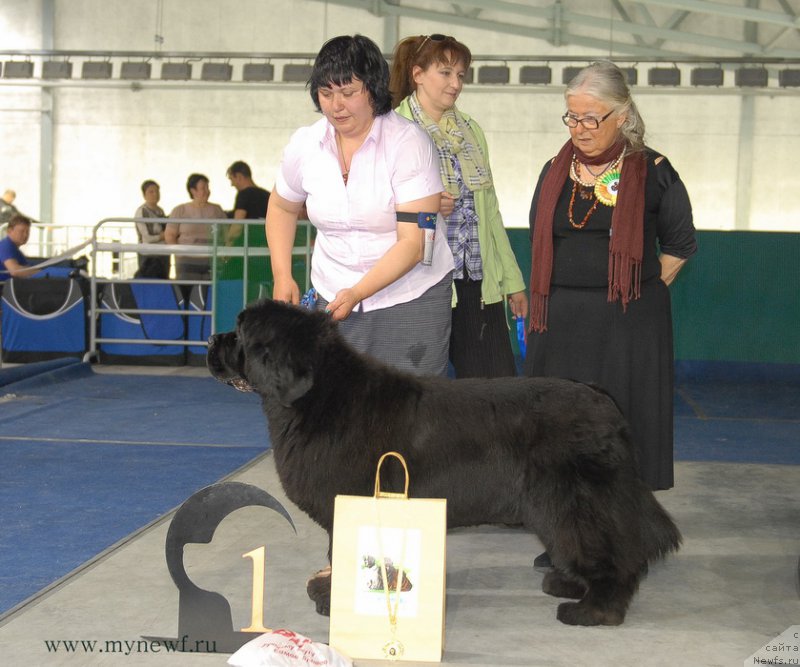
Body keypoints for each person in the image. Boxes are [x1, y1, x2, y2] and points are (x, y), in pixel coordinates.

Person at [526, 60, 697, 496]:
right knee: (557, 425)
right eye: (572, 117)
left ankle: (623, 517)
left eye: (591, 118)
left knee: (621, 422)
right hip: (560, 323)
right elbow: (538, 237)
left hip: (627, 324)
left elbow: (679, 245)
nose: (579, 129)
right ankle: (561, 514)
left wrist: (634, 290)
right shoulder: (553, 169)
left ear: (621, 115)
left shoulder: (654, 169)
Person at [266, 34, 454, 376]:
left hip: (410, 296)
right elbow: (282, 207)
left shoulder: (409, 143)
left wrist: (357, 292)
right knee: (336, 401)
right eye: (326, 93)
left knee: (409, 405)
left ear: (374, 89)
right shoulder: (304, 144)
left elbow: (414, 244)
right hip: (333, 293)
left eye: (348, 92)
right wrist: (282, 274)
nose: (336, 106)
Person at [391, 34, 528, 378]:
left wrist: (512, 281)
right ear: (418, 74)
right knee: (417, 392)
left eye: (461, 75)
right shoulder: (394, 130)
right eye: (446, 73)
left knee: (497, 391)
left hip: (477, 283)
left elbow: (490, 212)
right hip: (419, 283)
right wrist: (422, 205)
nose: (455, 84)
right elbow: (373, 205)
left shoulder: (471, 131)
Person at [165, 173, 226, 282]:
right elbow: (170, 235)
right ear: (193, 191)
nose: (207, 191)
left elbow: (226, 233)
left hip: (212, 260)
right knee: (187, 289)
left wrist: (222, 253)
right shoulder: (180, 210)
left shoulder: (217, 210)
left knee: (211, 290)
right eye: (203, 188)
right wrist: (179, 253)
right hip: (187, 261)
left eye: (208, 187)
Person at [222, 161, 270, 287]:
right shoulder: (267, 195)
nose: (232, 184)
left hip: (246, 250)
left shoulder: (244, 194)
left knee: (226, 280)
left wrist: (227, 245)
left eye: (232, 179)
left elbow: (238, 225)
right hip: (266, 250)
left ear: (239, 176)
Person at [133, 180, 170, 279]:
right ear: (144, 195)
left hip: (163, 253)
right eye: (151, 192)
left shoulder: (160, 210)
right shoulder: (142, 211)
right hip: (149, 255)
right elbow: (147, 237)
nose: (155, 194)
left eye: (157, 191)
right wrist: (163, 236)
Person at [0, 215, 39, 284]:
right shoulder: (6, 246)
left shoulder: (13, 248)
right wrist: (42, 272)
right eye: (22, 231)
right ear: (9, 231)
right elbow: (14, 271)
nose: (25, 235)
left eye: (27, 232)